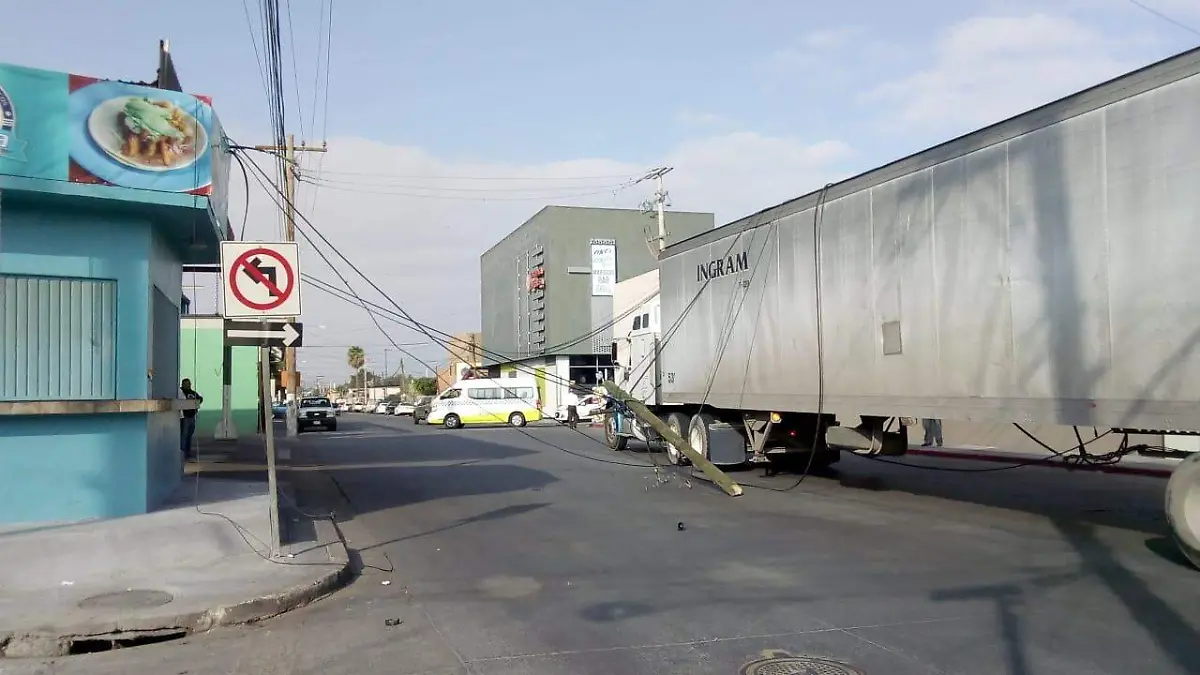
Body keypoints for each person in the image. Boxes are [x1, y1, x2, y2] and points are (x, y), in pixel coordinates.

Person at [180, 378, 204, 460]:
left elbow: (200, 398)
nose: (188, 385)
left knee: (189, 435)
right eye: (186, 384)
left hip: (192, 417)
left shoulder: (193, 393)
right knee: (184, 435)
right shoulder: (181, 393)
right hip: (185, 417)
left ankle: (187, 452)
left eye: (189, 384)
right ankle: (182, 452)